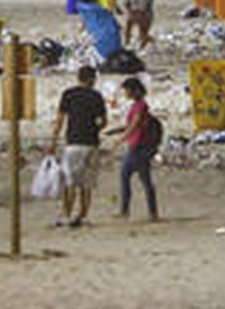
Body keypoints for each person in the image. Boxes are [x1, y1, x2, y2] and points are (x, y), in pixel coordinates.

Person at [50, 65, 107, 227]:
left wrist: (53, 141)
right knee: (87, 183)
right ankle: (83, 215)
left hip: (73, 143)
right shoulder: (97, 96)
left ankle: (66, 214)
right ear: (92, 79)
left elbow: (60, 120)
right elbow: (104, 121)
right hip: (91, 143)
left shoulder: (68, 94)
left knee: (70, 182)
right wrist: (94, 129)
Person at [108, 77, 159, 221]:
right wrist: (116, 131)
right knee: (144, 179)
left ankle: (126, 211)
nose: (125, 93)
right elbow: (133, 125)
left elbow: (134, 125)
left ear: (134, 90)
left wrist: (120, 140)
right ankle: (152, 212)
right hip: (138, 146)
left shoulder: (141, 106)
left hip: (138, 146)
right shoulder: (137, 105)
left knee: (127, 176)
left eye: (127, 90)